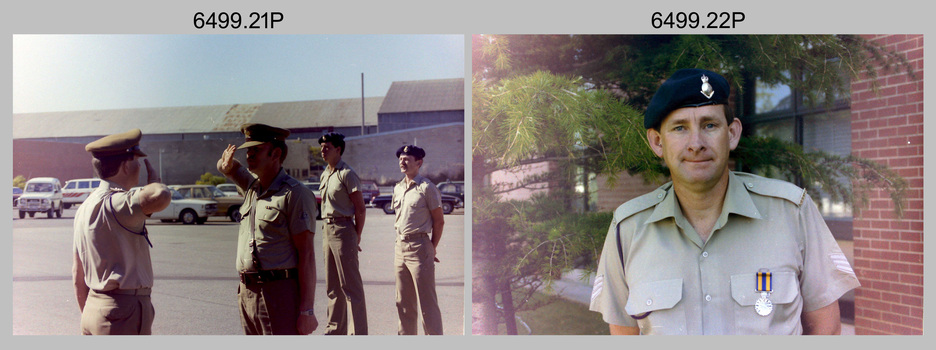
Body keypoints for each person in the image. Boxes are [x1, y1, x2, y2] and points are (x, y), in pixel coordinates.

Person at [589, 68, 861, 335]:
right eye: (680, 128)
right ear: (658, 142)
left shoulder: (791, 212)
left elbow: (826, 329)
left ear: (732, 133)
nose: (696, 143)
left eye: (709, 125)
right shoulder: (627, 229)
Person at [217, 123, 319, 335]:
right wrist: (225, 164)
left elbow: (307, 255)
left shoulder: (295, 194)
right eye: (248, 150)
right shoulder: (253, 188)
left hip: (278, 292)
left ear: (276, 153)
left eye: (256, 149)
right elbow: (225, 166)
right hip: (247, 292)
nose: (249, 155)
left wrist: (307, 310)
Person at [72, 129, 172, 335]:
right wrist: (154, 182)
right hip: (123, 311)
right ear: (126, 165)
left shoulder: (85, 206)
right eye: (136, 160)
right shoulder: (117, 202)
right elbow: (161, 195)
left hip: (94, 306)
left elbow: (77, 273)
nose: (139, 166)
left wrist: (90, 314)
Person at [391, 145, 444, 335]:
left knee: (427, 304)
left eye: (407, 159)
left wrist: (432, 247)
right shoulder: (398, 188)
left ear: (419, 163)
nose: (402, 162)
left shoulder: (427, 188)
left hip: (420, 247)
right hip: (400, 247)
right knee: (403, 303)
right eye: (400, 159)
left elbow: (439, 221)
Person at [318, 132, 368, 335]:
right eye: (322, 146)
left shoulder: (347, 174)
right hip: (327, 230)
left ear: (338, 149)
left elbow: (360, 208)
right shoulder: (325, 174)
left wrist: (357, 235)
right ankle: (335, 330)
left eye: (327, 147)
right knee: (332, 286)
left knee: (350, 286)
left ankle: (358, 334)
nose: (323, 150)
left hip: (343, 229)